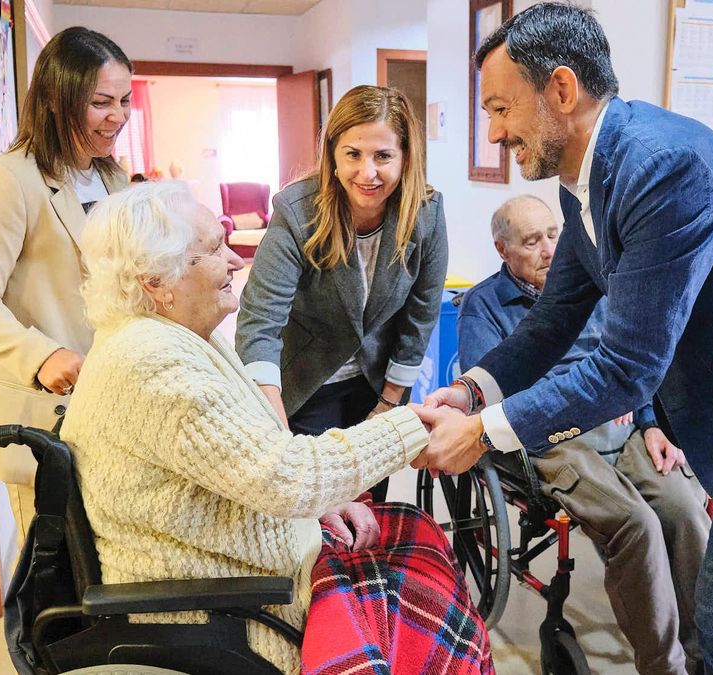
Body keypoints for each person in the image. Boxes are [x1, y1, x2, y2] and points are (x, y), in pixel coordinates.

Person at [418, 5, 713, 673]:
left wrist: (482, 432)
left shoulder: (664, 166)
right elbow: (554, 320)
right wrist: (474, 388)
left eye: (502, 108)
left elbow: (626, 368)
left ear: (561, 90)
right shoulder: (581, 185)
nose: (496, 131)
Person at [61, 182, 494, 675]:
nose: (234, 261)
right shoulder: (153, 367)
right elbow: (289, 478)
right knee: (423, 596)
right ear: (157, 279)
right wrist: (412, 425)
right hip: (231, 604)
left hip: (257, 564)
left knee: (417, 533)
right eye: (212, 250)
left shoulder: (176, 340)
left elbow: (257, 459)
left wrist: (329, 500)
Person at [459, 195, 710, 674]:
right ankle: (664, 665)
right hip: (547, 434)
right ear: (502, 249)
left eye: (554, 235)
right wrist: (569, 405)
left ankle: (707, 653)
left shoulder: (590, 286)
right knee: (635, 522)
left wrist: (649, 422)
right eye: (532, 241)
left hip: (619, 422)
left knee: (683, 508)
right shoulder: (484, 305)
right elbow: (490, 390)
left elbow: (626, 362)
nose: (549, 249)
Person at [0, 26, 132, 543]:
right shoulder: (9, 181)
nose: (118, 116)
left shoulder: (112, 178)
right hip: (44, 404)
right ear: (55, 100)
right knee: (53, 569)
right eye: (100, 102)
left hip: (106, 395)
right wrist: (40, 354)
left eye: (125, 100)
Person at [236, 85, 448, 502]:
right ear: (333, 154)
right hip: (306, 381)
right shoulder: (297, 211)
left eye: (383, 156)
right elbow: (260, 321)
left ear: (405, 158)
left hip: (376, 382)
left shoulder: (426, 213)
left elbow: (420, 317)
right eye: (353, 154)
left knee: (368, 504)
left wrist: (389, 405)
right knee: (313, 508)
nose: (367, 173)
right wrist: (273, 428)